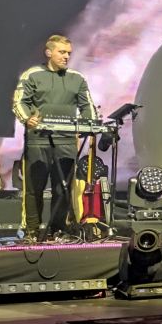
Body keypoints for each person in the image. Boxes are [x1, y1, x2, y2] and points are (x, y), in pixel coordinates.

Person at [11, 35, 97, 243]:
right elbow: (19, 102)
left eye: (69, 53)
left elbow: (88, 106)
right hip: (38, 141)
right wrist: (27, 119)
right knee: (34, 189)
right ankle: (32, 231)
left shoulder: (77, 78)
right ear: (49, 52)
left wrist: (88, 126)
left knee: (63, 189)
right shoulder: (32, 74)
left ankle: (59, 229)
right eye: (62, 52)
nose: (66, 56)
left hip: (66, 142)